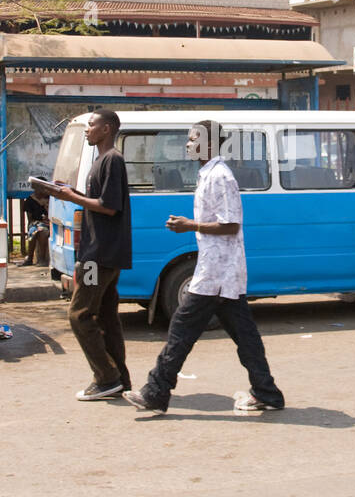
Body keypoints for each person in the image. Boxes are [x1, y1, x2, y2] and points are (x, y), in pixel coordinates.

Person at [124, 120, 284, 416]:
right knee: (245, 336)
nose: (187, 143)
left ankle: (156, 392)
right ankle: (267, 392)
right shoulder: (208, 174)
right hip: (219, 271)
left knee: (181, 330)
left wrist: (190, 226)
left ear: (209, 143)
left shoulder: (221, 176)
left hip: (217, 274)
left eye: (193, 138)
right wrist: (192, 225)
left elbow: (231, 224)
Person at [52, 109, 132, 401]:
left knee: (79, 314)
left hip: (98, 255)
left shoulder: (112, 159)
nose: (87, 129)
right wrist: (69, 191)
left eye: (91, 125)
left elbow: (109, 206)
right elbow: (97, 201)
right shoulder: (101, 160)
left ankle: (106, 377)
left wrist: (71, 197)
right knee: (107, 318)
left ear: (107, 129)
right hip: (99, 252)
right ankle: (119, 379)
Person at [21, 190, 50, 267]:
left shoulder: (50, 199)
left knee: (43, 233)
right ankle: (30, 258)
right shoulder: (30, 200)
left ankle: (42, 259)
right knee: (33, 232)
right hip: (36, 223)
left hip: (49, 223)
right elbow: (30, 219)